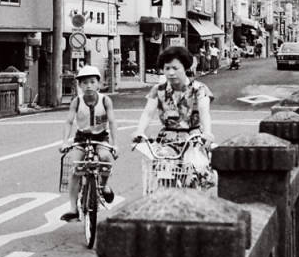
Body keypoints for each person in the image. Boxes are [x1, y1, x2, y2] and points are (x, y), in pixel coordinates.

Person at [132, 45, 215, 185]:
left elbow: (204, 112)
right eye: (167, 68)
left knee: (195, 174)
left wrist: (207, 132)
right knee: (163, 172)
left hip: (192, 138)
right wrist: (139, 131)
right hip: (168, 139)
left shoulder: (199, 89)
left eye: (175, 68)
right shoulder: (158, 90)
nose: (170, 73)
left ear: (185, 68)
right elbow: (147, 113)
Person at [60, 65, 116, 221]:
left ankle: (104, 185)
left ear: (98, 84)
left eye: (92, 82)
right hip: (82, 137)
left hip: (101, 137)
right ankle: (73, 209)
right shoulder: (76, 101)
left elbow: (112, 122)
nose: (89, 86)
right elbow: (69, 122)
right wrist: (65, 142)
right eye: (85, 83)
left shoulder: (106, 100)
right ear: (80, 85)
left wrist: (115, 144)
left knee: (105, 159)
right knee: (75, 168)